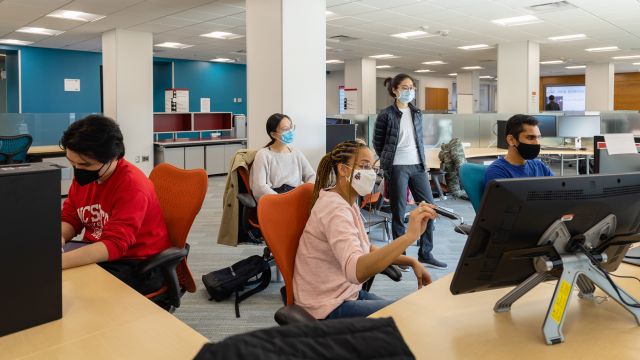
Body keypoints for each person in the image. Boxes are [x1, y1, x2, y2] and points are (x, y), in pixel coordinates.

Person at [293, 140, 435, 319]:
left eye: (372, 168)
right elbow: (355, 272)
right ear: (343, 170)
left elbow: (366, 249)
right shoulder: (335, 209)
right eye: (364, 166)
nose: (370, 174)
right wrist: (409, 237)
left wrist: (412, 262)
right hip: (327, 305)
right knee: (409, 315)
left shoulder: (346, 201)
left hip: (346, 295)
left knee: (410, 311)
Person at [60, 115, 171, 295]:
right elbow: (71, 217)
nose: (78, 170)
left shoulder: (132, 186)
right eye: (72, 163)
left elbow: (115, 244)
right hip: (100, 251)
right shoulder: (87, 176)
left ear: (113, 158)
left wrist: (58, 262)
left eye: (85, 164)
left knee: (78, 294)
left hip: (137, 263)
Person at [373, 73, 446, 269]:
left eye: (411, 87)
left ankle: (426, 253)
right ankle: (400, 256)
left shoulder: (417, 112)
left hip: (418, 166)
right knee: (399, 212)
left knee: (430, 209)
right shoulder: (386, 114)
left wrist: (423, 163)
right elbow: (377, 143)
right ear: (395, 90)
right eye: (404, 87)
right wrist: (389, 161)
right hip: (397, 167)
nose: (409, 91)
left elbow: (419, 140)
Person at [250, 113, 316, 200]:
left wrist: (306, 192)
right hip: (275, 198)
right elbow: (260, 187)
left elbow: (312, 176)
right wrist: (281, 200)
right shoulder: (263, 154)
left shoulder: (296, 153)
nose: (290, 132)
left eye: (291, 128)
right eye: (286, 129)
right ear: (273, 134)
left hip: (297, 196)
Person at [483, 114, 554, 188]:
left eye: (538, 138)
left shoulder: (540, 166)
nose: (537, 143)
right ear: (511, 140)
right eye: (530, 137)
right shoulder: (497, 172)